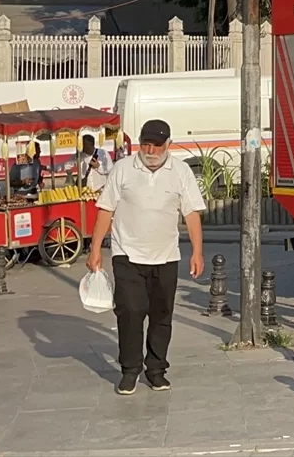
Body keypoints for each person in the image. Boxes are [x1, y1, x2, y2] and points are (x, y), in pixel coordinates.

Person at [86, 119, 205, 396]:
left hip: (165, 256)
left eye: (157, 145)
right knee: (130, 311)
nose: (151, 150)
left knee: (161, 315)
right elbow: (105, 209)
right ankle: (129, 370)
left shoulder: (181, 172)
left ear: (168, 145)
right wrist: (95, 250)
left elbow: (191, 213)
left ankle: (156, 370)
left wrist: (197, 252)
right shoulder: (123, 169)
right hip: (127, 254)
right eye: (146, 144)